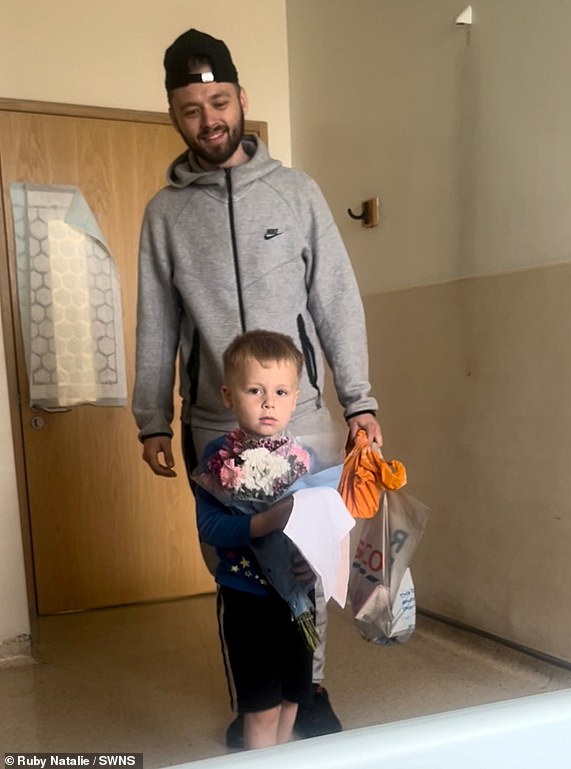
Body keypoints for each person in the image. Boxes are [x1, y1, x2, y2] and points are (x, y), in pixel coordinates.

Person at [132, 27, 383, 746]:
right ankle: (258, 704)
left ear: (241, 98)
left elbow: (337, 299)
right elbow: (156, 322)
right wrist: (153, 418)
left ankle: (311, 689)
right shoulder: (164, 215)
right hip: (216, 423)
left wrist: (359, 401)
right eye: (189, 108)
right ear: (173, 116)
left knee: (310, 560)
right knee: (240, 569)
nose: (207, 118)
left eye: (218, 100)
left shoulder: (297, 193)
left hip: (302, 418)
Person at [194, 330, 322, 749]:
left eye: (281, 391)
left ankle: (278, 756)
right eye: (255, 390)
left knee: (291, 697)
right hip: (246, 595)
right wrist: (263, 522)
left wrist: (315, 559)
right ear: (229, 395)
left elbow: (322, 526)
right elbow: (210, 528)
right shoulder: (217, 459)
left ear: (295, 397)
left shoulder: (305, 460)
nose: (269, 402)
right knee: (261, 705)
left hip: (297, 596)